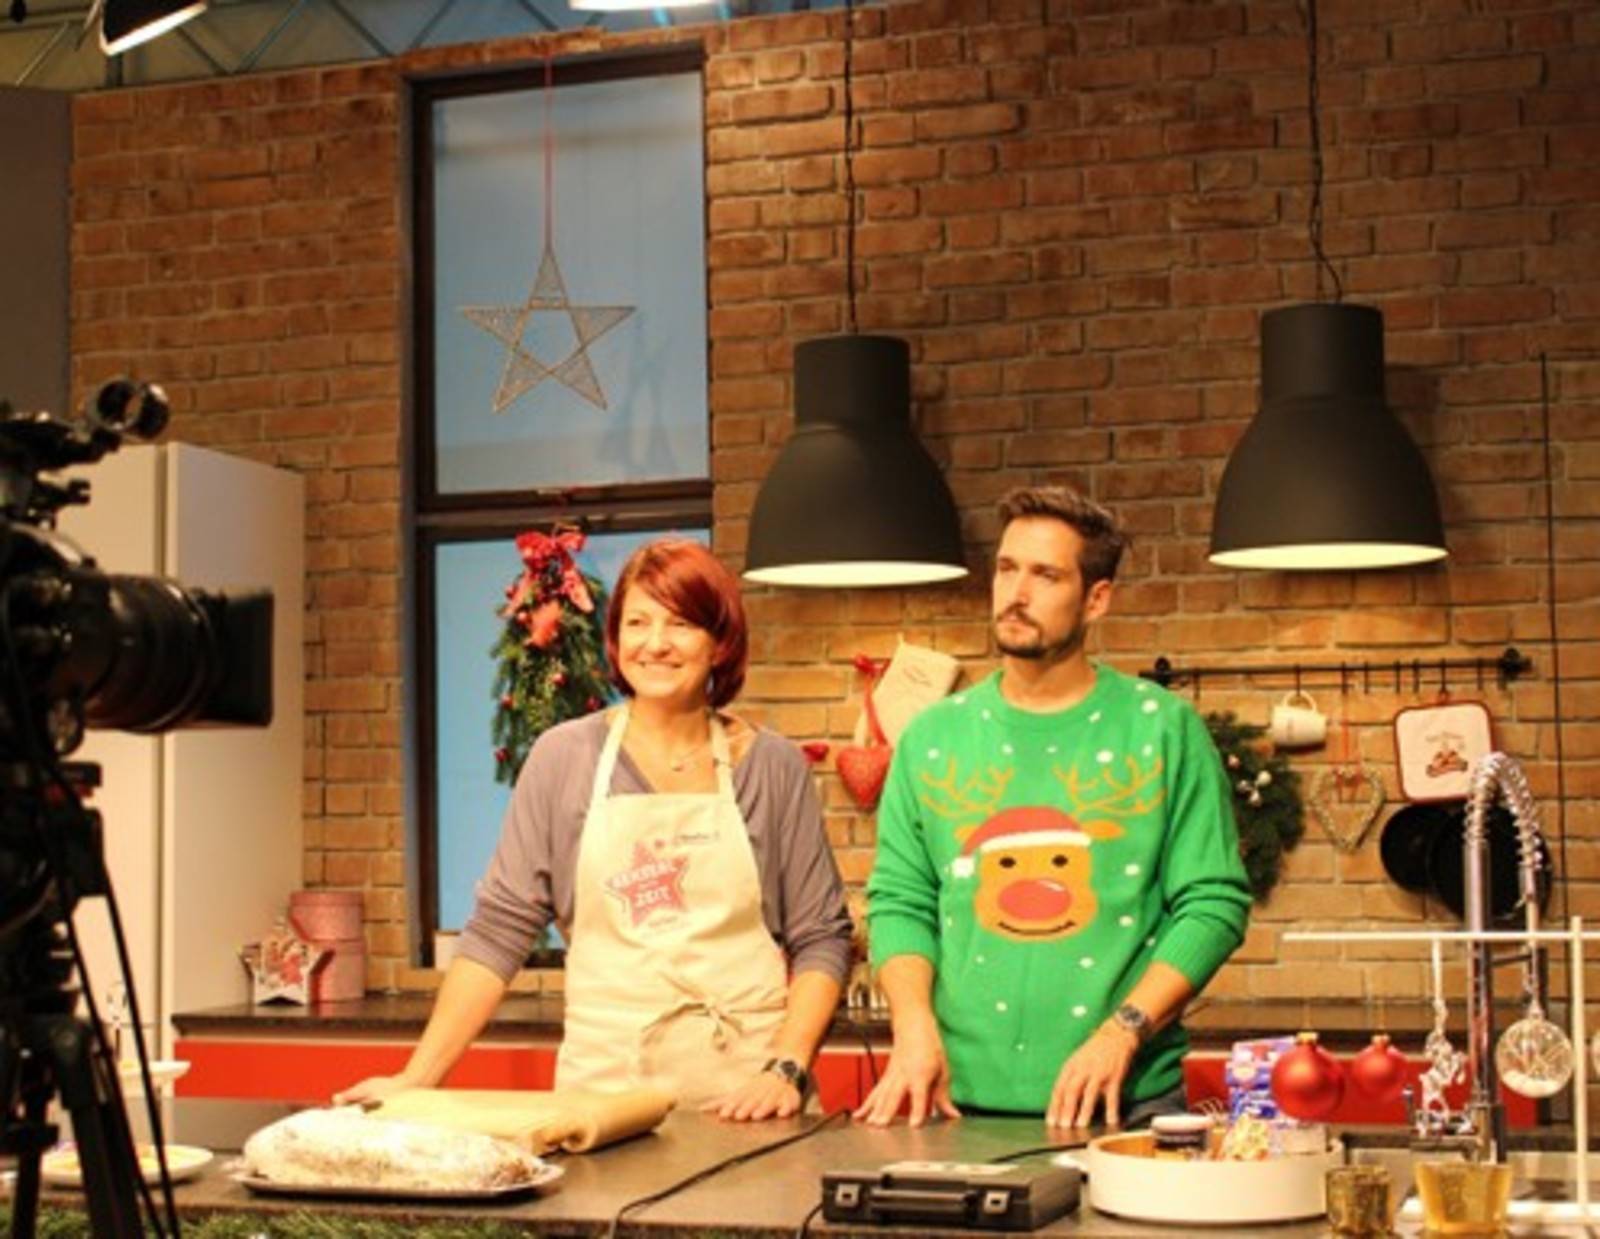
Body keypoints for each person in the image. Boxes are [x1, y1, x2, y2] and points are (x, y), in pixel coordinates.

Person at [338, 538, 853, 1120]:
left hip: (746, 1100)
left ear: (719, 643)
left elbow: (822, 936)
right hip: (602, 1101)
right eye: (638, 622)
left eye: (681, 623)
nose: (655, 643)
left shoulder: (771, 765)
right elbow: (501, 928)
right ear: (616, 638)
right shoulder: (566, 758)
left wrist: (785, 1069)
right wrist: (417, 1077)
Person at [855, 486, 1251, 1130]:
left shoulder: (1163, 729)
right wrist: (912, 1024)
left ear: (1096, 598)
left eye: (1046, 575)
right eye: (1007, 569)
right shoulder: (932, 737)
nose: (1017, 592)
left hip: (1127, 1102)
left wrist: (1122, 1031)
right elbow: (900, 899)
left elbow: (1214, 903)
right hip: (953, 1100)